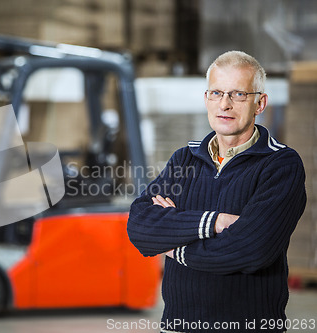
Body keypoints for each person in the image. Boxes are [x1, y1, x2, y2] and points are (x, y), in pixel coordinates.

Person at [127, 50, 306, 333]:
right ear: (206, 98)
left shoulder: (281, 165)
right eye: (217, 93)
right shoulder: (184, 159)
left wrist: (176, 247)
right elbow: (139, 226)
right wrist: (216, 222)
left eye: (238, 95)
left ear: (260, 103)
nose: (225, 104)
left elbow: (252, 250)